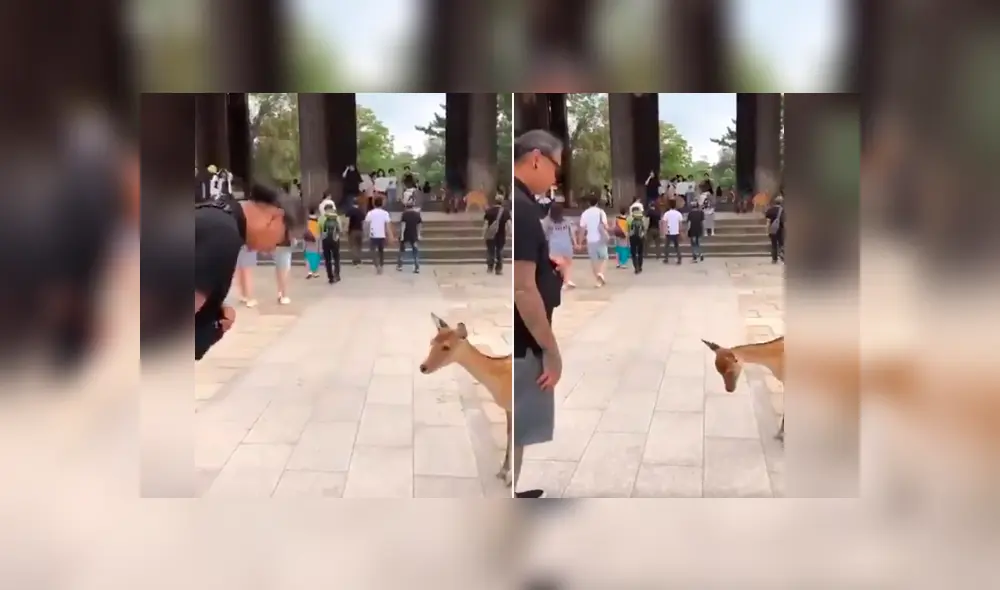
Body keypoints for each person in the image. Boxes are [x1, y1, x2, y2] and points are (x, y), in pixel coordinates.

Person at [512, 129, 564, 499]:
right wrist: (551, 349)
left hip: (521, 338)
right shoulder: (525, 210)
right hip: (523, 341)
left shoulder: (521, 204)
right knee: (517, 422)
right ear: (535, 158)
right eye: (555, 166)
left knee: (517, 424)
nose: (556, 176)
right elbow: (522, 288)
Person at [195, 183, 303, 360]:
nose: (271, 250)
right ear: (276, 217)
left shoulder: (215, 216)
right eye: (282, 242)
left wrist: (212, 309)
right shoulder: (223, 236)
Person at [542, 202, 578, 288]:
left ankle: (565, 280)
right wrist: (575, 243)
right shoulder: (567, 220)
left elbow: (543, 233)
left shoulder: (547, 221)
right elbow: (572, 232)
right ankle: (566, 280)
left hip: (554, 245)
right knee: (567, 264)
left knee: (561, 263)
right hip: (566, 244)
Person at [578, 194, 610, 286]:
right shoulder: (601, 212)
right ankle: (601, 274)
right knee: (604, 257)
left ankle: (598, 280)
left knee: (594, 260)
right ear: (597, 202)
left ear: (588, 203)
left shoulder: (585, 213)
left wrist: (580, 242)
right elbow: (605, 226)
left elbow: (582, 229)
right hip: (600, 239)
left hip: (590, 239)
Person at [364, 196, 393, 274]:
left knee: (373, 251)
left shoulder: (370, 213)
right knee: (381, 251)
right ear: (382, 204)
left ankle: (377, 265)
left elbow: (366, 224)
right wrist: (390, 235)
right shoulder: (385, 213)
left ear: (374, 204)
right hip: (382, 234)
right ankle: (381, 265)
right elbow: (387, 226)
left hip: (373, 234)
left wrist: (366, 234)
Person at [483, 193, 511, 275]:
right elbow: (509, 224)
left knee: (490, 251)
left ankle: (490, 267)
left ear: (494, 201)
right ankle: (498, 269)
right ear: (502, 202)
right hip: (501, 235)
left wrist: (484, 234)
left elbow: (485, 225)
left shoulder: (489, 211)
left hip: (490, 234)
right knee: (500, 251)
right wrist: (510, 233)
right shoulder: (505, 212)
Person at [396, 196, 422, 273]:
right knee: (415, 251)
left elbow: (403, 225)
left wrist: (402, 235)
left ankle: (400, 266)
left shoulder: (404, 214)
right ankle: (417, 267)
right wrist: (419, 234)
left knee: (402, 251)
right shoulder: (417, 214)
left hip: (406, 234)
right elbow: (419, 225)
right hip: (414, 234)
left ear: (406, 207)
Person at [319, 201, 342, 283]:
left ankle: (330, 277)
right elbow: (340, 229)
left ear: (325, 210)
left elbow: (319, 231)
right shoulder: (337, 217)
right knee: (336, 258)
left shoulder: (321, 218)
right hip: (335, 240)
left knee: (327, 259)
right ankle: (337, 275)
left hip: (325, 240)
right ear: (332, 209)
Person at [661, 199, 684, 265]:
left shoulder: (666, 214)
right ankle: (679, 259)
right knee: (677, 246)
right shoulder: (678, 214)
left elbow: (664, 223)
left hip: (669, 232)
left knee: (667, 246)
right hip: (676, 232)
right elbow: (680, 224)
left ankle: (666, 258)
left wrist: (664, 232)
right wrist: (680, 232)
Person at [273, 235, 293, 305]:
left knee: (279, 267)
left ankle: (280, 292)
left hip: (276, 243)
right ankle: (284, 295)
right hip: (285, 243)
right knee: (284, 269)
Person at [344, 197, 365, 266]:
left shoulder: (350, 211)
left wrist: (345, 229)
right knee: (359, 246)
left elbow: (347, 221)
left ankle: (355, 260)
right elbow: (363, 222)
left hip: (352, 231)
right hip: (360, 230)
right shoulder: (361, 211)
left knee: (353, 246)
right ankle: (359, 258)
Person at [628, 201, 647, 273]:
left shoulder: (629, 218)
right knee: (640, 252)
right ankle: (640, 266)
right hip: (641, 236)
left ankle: (636, 267)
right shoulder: (642, 218)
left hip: (632, 237)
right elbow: (645, 228)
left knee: (633, 253)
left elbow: (627, 228)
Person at [765, 195, 785, 263]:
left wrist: (767, 230)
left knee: (774, 244)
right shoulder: (783, 210)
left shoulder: (770, 210)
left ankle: (774, 259)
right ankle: (782, 254)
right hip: (781, 229)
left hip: (772, 229)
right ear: (781, 202)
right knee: (781, 243)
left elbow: (768, 222)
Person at [303, 209, 322, 279]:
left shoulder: (306, 224)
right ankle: (315, 272)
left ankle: (309, 272)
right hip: (316, 242)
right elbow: (320, 236)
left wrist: (303, 247)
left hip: (308, 242)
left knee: (308, 257)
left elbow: (304, 236)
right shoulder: (318, 224)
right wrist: (320, 248)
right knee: (315, 258)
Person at [613, 205, 630, 269]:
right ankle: (623, 263)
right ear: (625, 212)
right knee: (624, 249)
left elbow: (614, 227)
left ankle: (617, 263)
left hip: (618, 235)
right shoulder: (627, 219)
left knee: (618, 249)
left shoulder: (617, 218)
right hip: (625, 235)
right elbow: (629, 228)